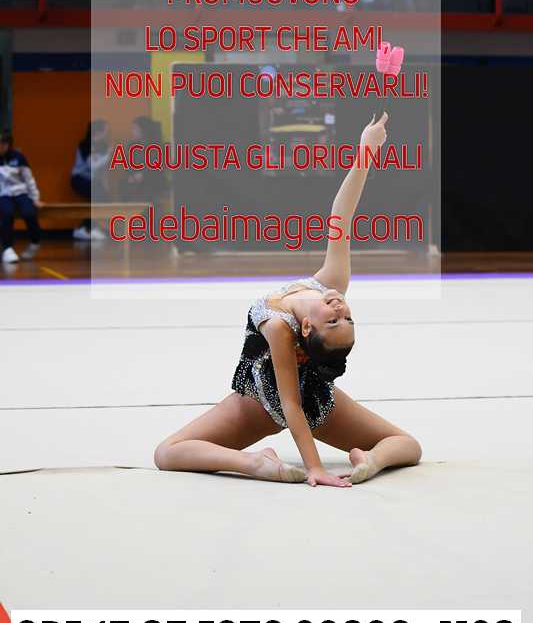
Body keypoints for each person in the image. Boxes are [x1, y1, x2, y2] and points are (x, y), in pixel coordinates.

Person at [154, 113, 422, 488]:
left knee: (168, 452)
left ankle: (351, 461)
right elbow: (342, 215)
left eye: (334, 321)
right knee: (406, 444)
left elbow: (291, 405)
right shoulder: (330, 284)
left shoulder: (279, 326)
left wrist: (315, 468)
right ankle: (267, 461)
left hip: (268, 403)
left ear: (307, 327)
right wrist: (366, 151)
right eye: (347, 319)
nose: (341, 310)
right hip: (295, 398)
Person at [0, 131, 43, 264]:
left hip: (21, 192)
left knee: (29, 212)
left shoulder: (18, 157)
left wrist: (35, 198)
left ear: (8, 144)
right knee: (6, 213)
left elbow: (29, 179)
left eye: (3, 144)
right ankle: (7, 248)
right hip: (4, 194)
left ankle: (35, 242)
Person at [71, 120, 112, 241]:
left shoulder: (103, 145)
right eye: (105, 131)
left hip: (94, 181)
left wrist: (106, 185)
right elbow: (92, 166)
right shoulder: (86, 145)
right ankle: (86, 228)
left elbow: (103, 169)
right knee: (97, 194)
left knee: (101, 196)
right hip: (80, 179)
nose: (106, 134)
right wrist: (109, 155)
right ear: (97, 132)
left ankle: (88, 228)